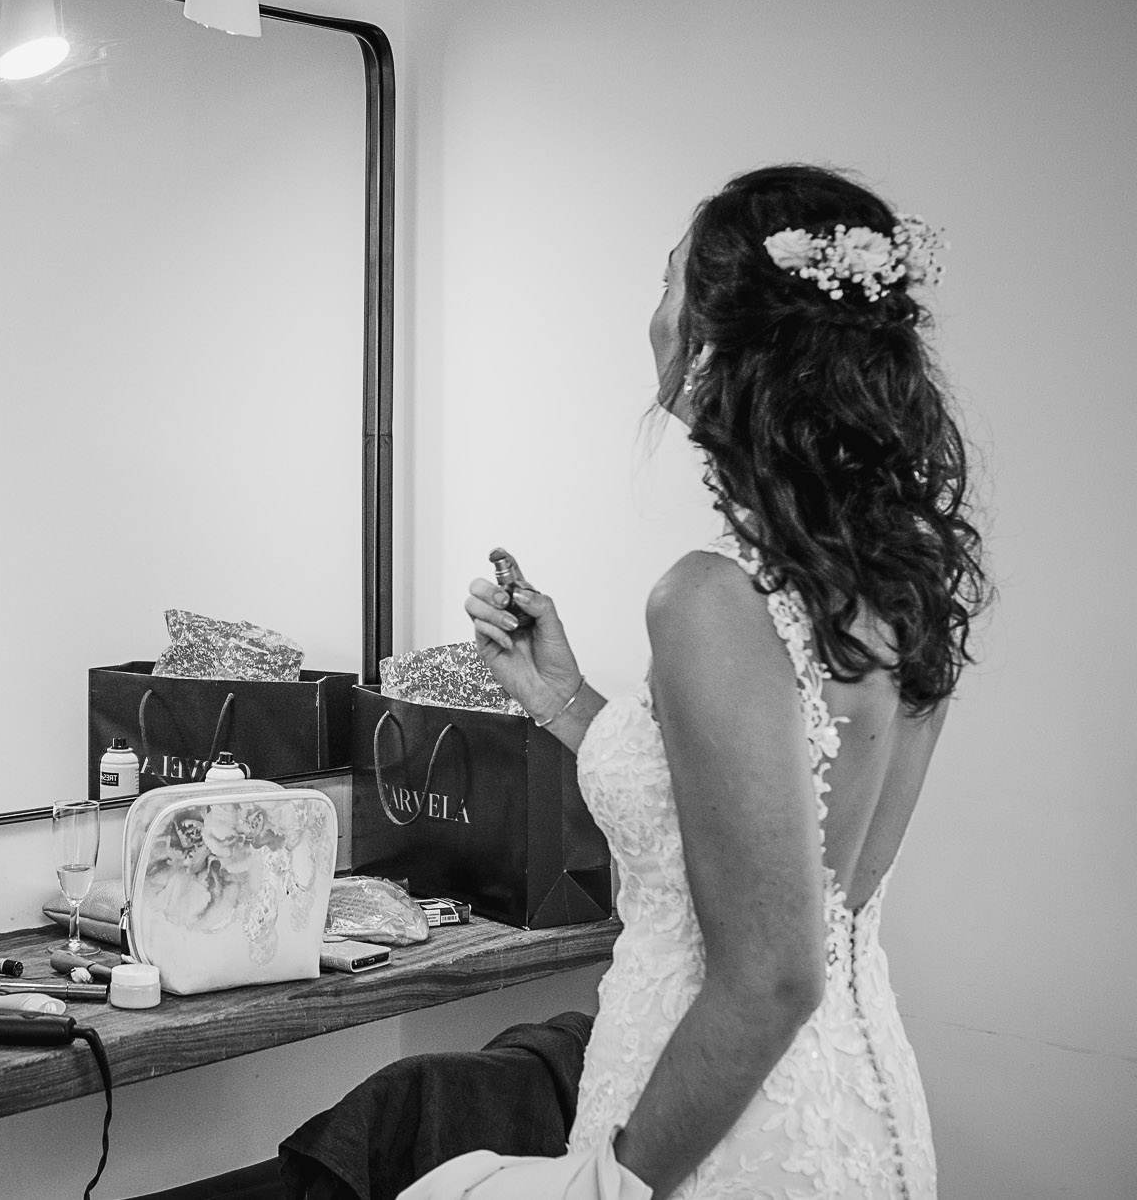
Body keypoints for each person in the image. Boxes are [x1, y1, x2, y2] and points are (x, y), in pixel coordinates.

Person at [411, 166, 986, 1199]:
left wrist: (605, 1186)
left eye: (668, 280)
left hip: (715, 1131)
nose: (653, 314)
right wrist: (562, 698)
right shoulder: (894, 586)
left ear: (715, 345)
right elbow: (775, 836)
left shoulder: (708, 599)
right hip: (857, 1112)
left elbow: (770, 973)